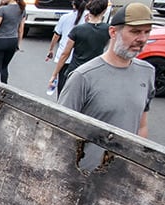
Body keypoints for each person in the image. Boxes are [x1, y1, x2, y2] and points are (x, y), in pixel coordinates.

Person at [58, 2, 154, 138]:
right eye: (135, 31)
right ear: (113, 32)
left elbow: (141, 125)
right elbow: (61, 127)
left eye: (147, 32)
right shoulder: (82, 77)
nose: (142, 39)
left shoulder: (147, 72)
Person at [48, 0, 110, 98]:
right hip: (95, 71)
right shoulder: (108, 30)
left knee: (66, 97)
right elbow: (107, 47)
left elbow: (65, 54)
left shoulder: (78, 30)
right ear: (104, 10)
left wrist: (54, 74)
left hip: (75, 71)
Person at [46, 0, 87, 96]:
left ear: (73, 5)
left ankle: (61, 100)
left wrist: (51, 50)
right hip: (80, 56)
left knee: (62, 82)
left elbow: (56, 35)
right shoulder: (87, 18)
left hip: (65, 56)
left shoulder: (65, 17)